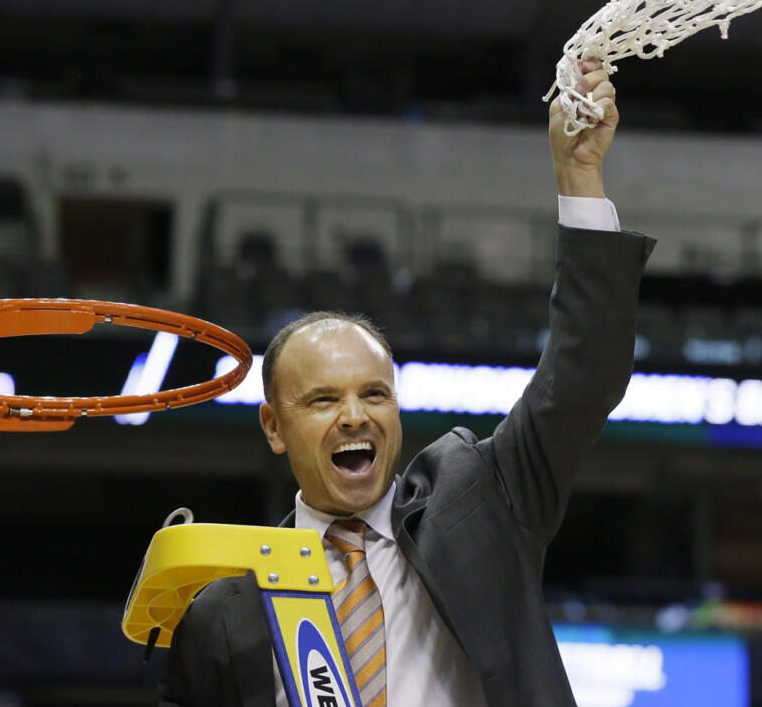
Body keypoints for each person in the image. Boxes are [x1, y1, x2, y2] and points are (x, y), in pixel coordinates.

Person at [160, 61, 655, 707]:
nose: (354, 416)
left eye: (374, 393)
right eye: (322, 399)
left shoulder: (482, 505)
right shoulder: (223, 613)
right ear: (273, 427)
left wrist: (579, 177)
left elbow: (582, 377)